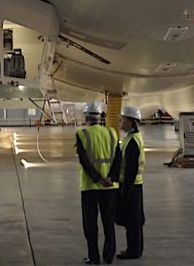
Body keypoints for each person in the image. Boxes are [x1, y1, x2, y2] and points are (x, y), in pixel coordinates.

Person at [75, 101, 121, 265]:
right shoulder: (112, 133)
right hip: (110, 187)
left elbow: (85, 161)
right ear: (101, 116)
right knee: (108, 222)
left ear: (86, 117)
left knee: (90, 224)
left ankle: (94, 257)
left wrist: (98, 178)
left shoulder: (82, 134)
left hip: (90, 186)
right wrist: (111, 178)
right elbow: (118, 159)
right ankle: (109, 256)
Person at [116, 106, 145, 260]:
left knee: (132, 220)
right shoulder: (131, 138)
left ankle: (133, 250)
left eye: (123, 119)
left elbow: (130, 169)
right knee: (134, 219)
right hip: (135, 185)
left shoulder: (132, 141)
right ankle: (136, 248)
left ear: (131, 121)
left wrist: (125, 190)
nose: (120, 121)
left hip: (131, 185)